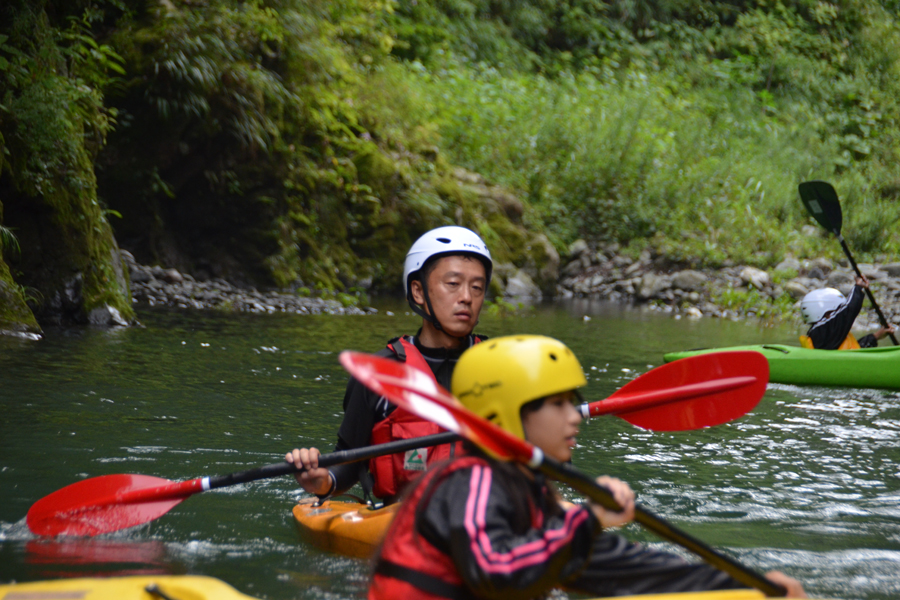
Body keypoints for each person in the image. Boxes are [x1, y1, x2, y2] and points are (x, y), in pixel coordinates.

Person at [369, 335, 807, 599]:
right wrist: (584, 520)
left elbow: (613, 563)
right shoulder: (470, 482)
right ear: (505, 413)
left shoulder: (529, 486)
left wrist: (739, 586)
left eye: (572, 402)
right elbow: (496, 573)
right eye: (557, 404)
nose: (576, 416)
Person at [285, 226, 492, 505]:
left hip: (488, 515)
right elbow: (349, 463)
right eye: (453, 284)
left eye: (477, 287)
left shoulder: (500, 370)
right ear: (418, 292)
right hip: (402, 518)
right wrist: (323, 481)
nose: (466, 297)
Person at [800, 276, 895, 350]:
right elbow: (849, 310)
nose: (838, 313)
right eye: (836, 310)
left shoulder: (828, 334)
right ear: (825, 312)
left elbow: (855, 351)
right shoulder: (821, 331)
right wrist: (858, 287)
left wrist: (876, 336)